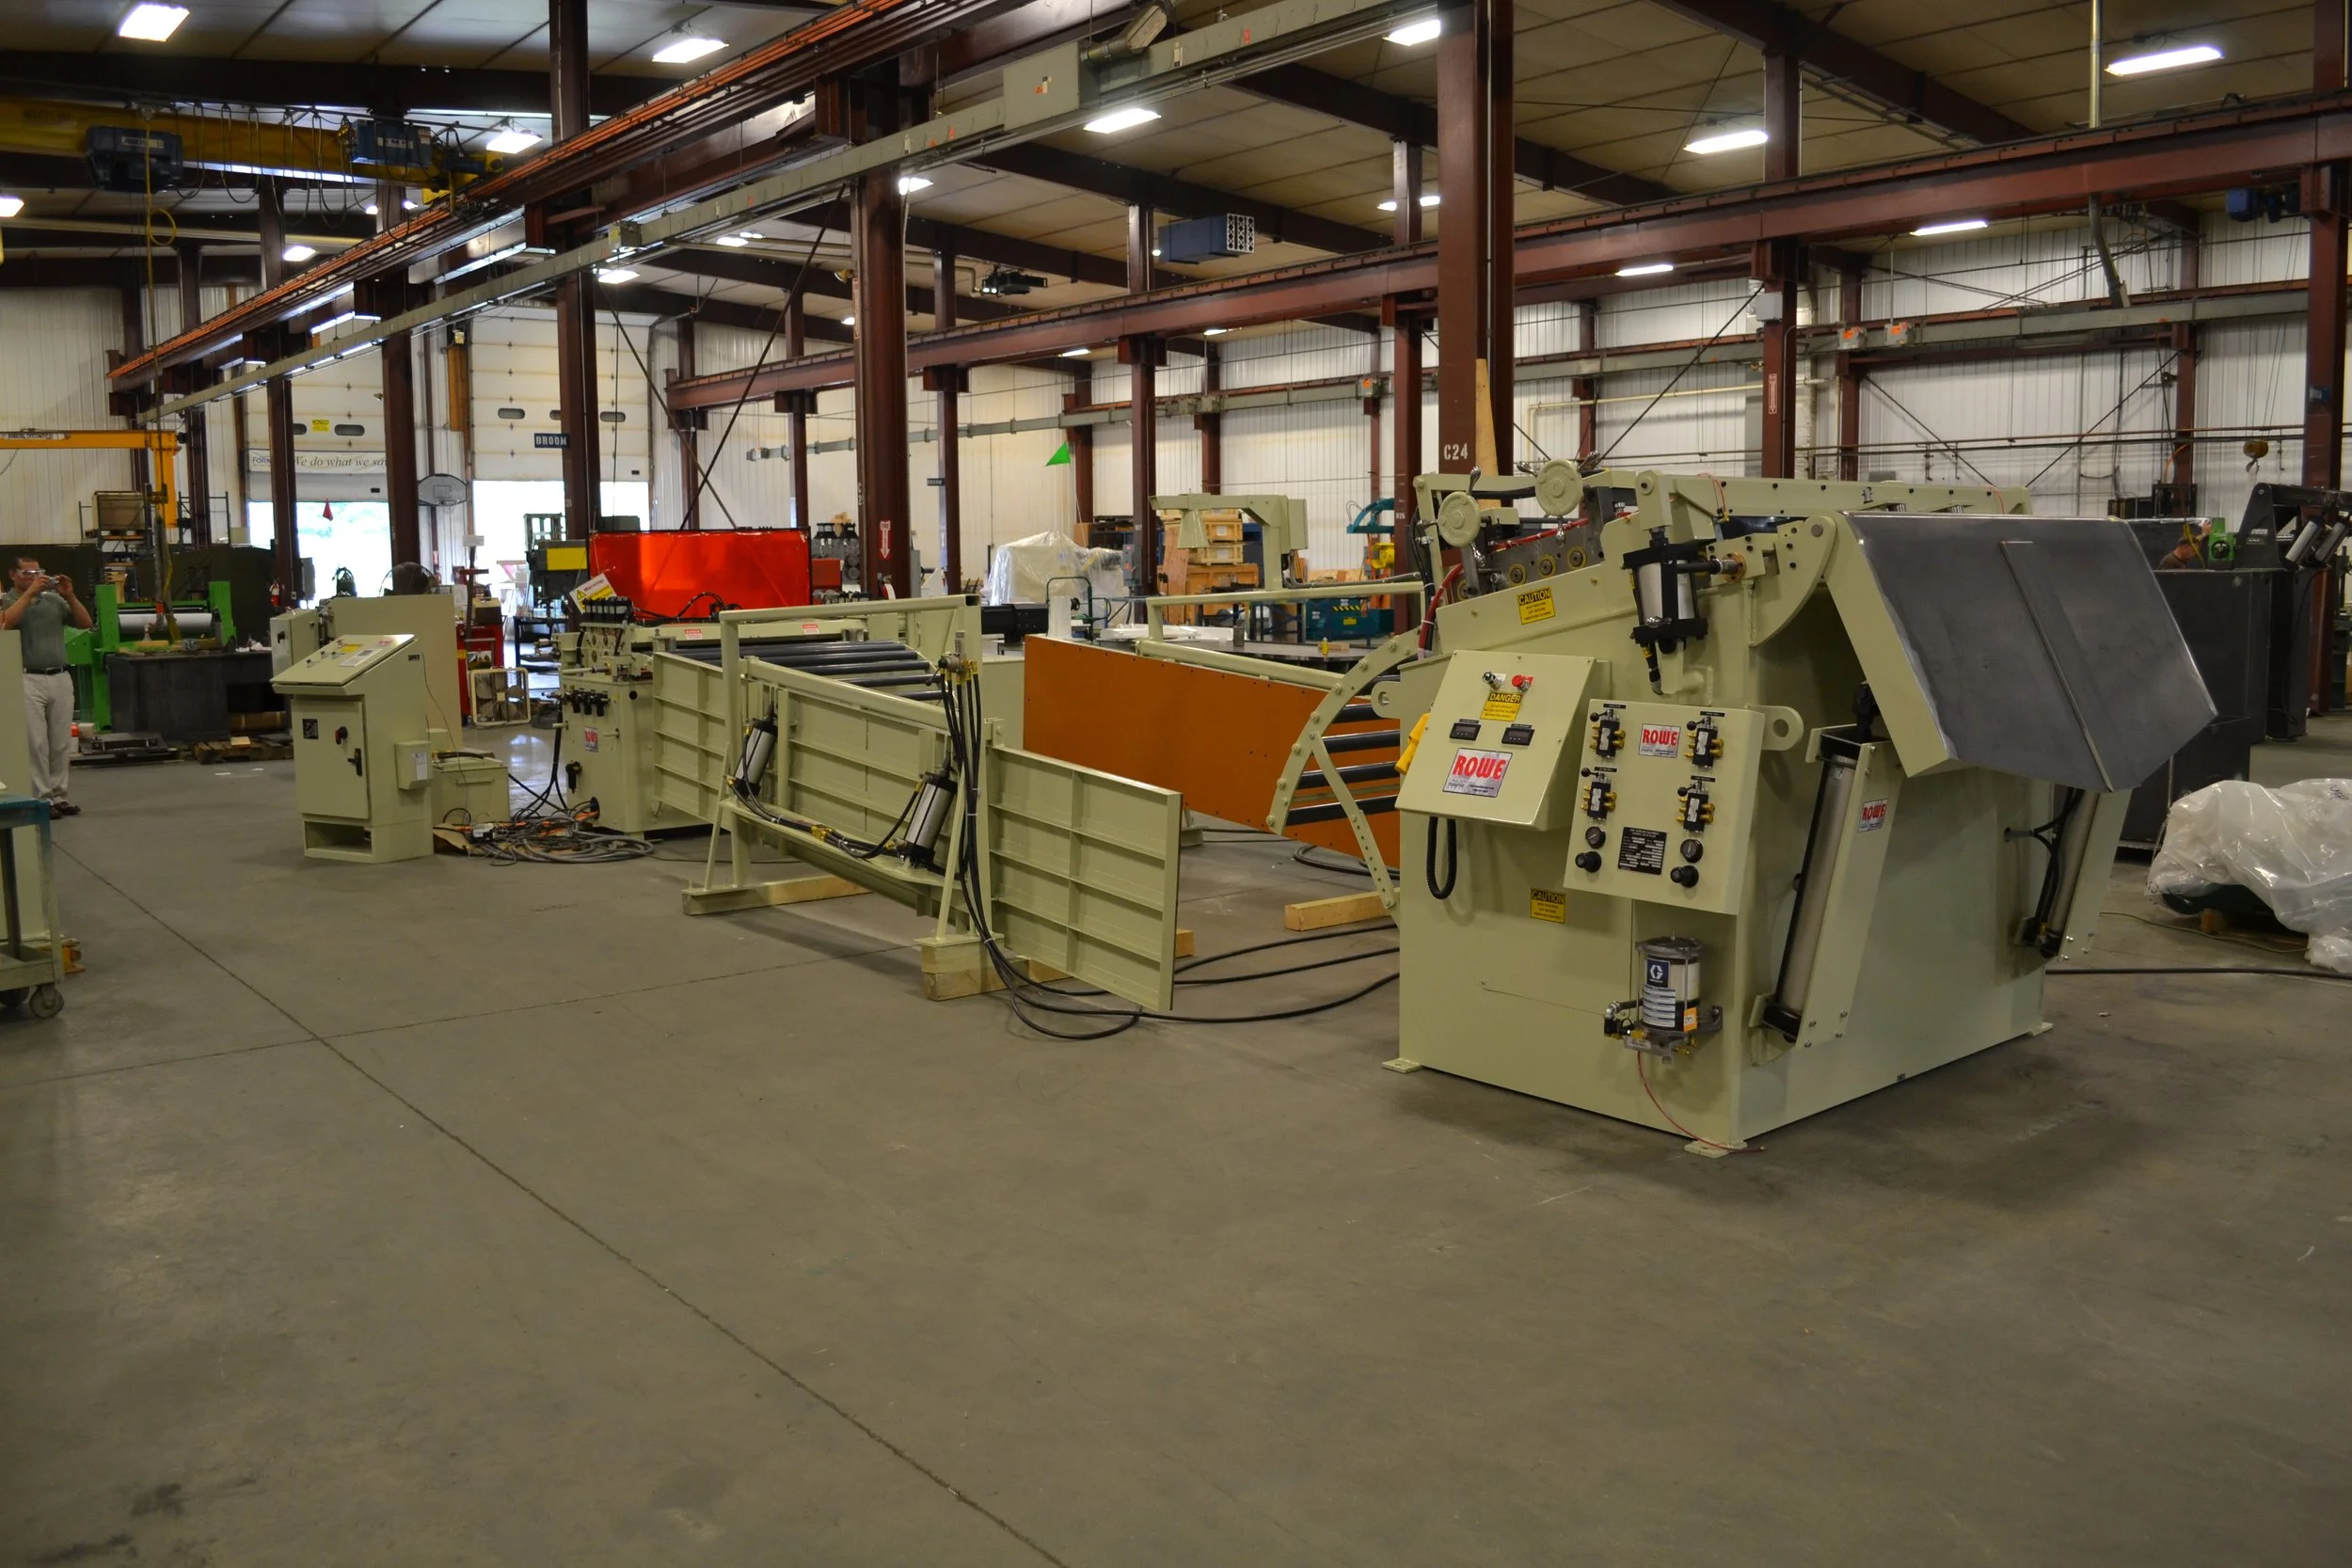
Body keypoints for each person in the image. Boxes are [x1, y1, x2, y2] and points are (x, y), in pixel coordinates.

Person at [1, 559, 92, 816]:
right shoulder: (7, 600)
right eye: (27, 573)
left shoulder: (54, 601)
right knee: (36, 742)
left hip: (60, 676)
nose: (34, 577)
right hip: (28, 677)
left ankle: (59, 794)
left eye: (37, 572)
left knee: (61, 742)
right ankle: (42, 798)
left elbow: (85, 623)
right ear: (13, 575)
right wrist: (29, 593)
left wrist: (71, 596)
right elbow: (5, 623)